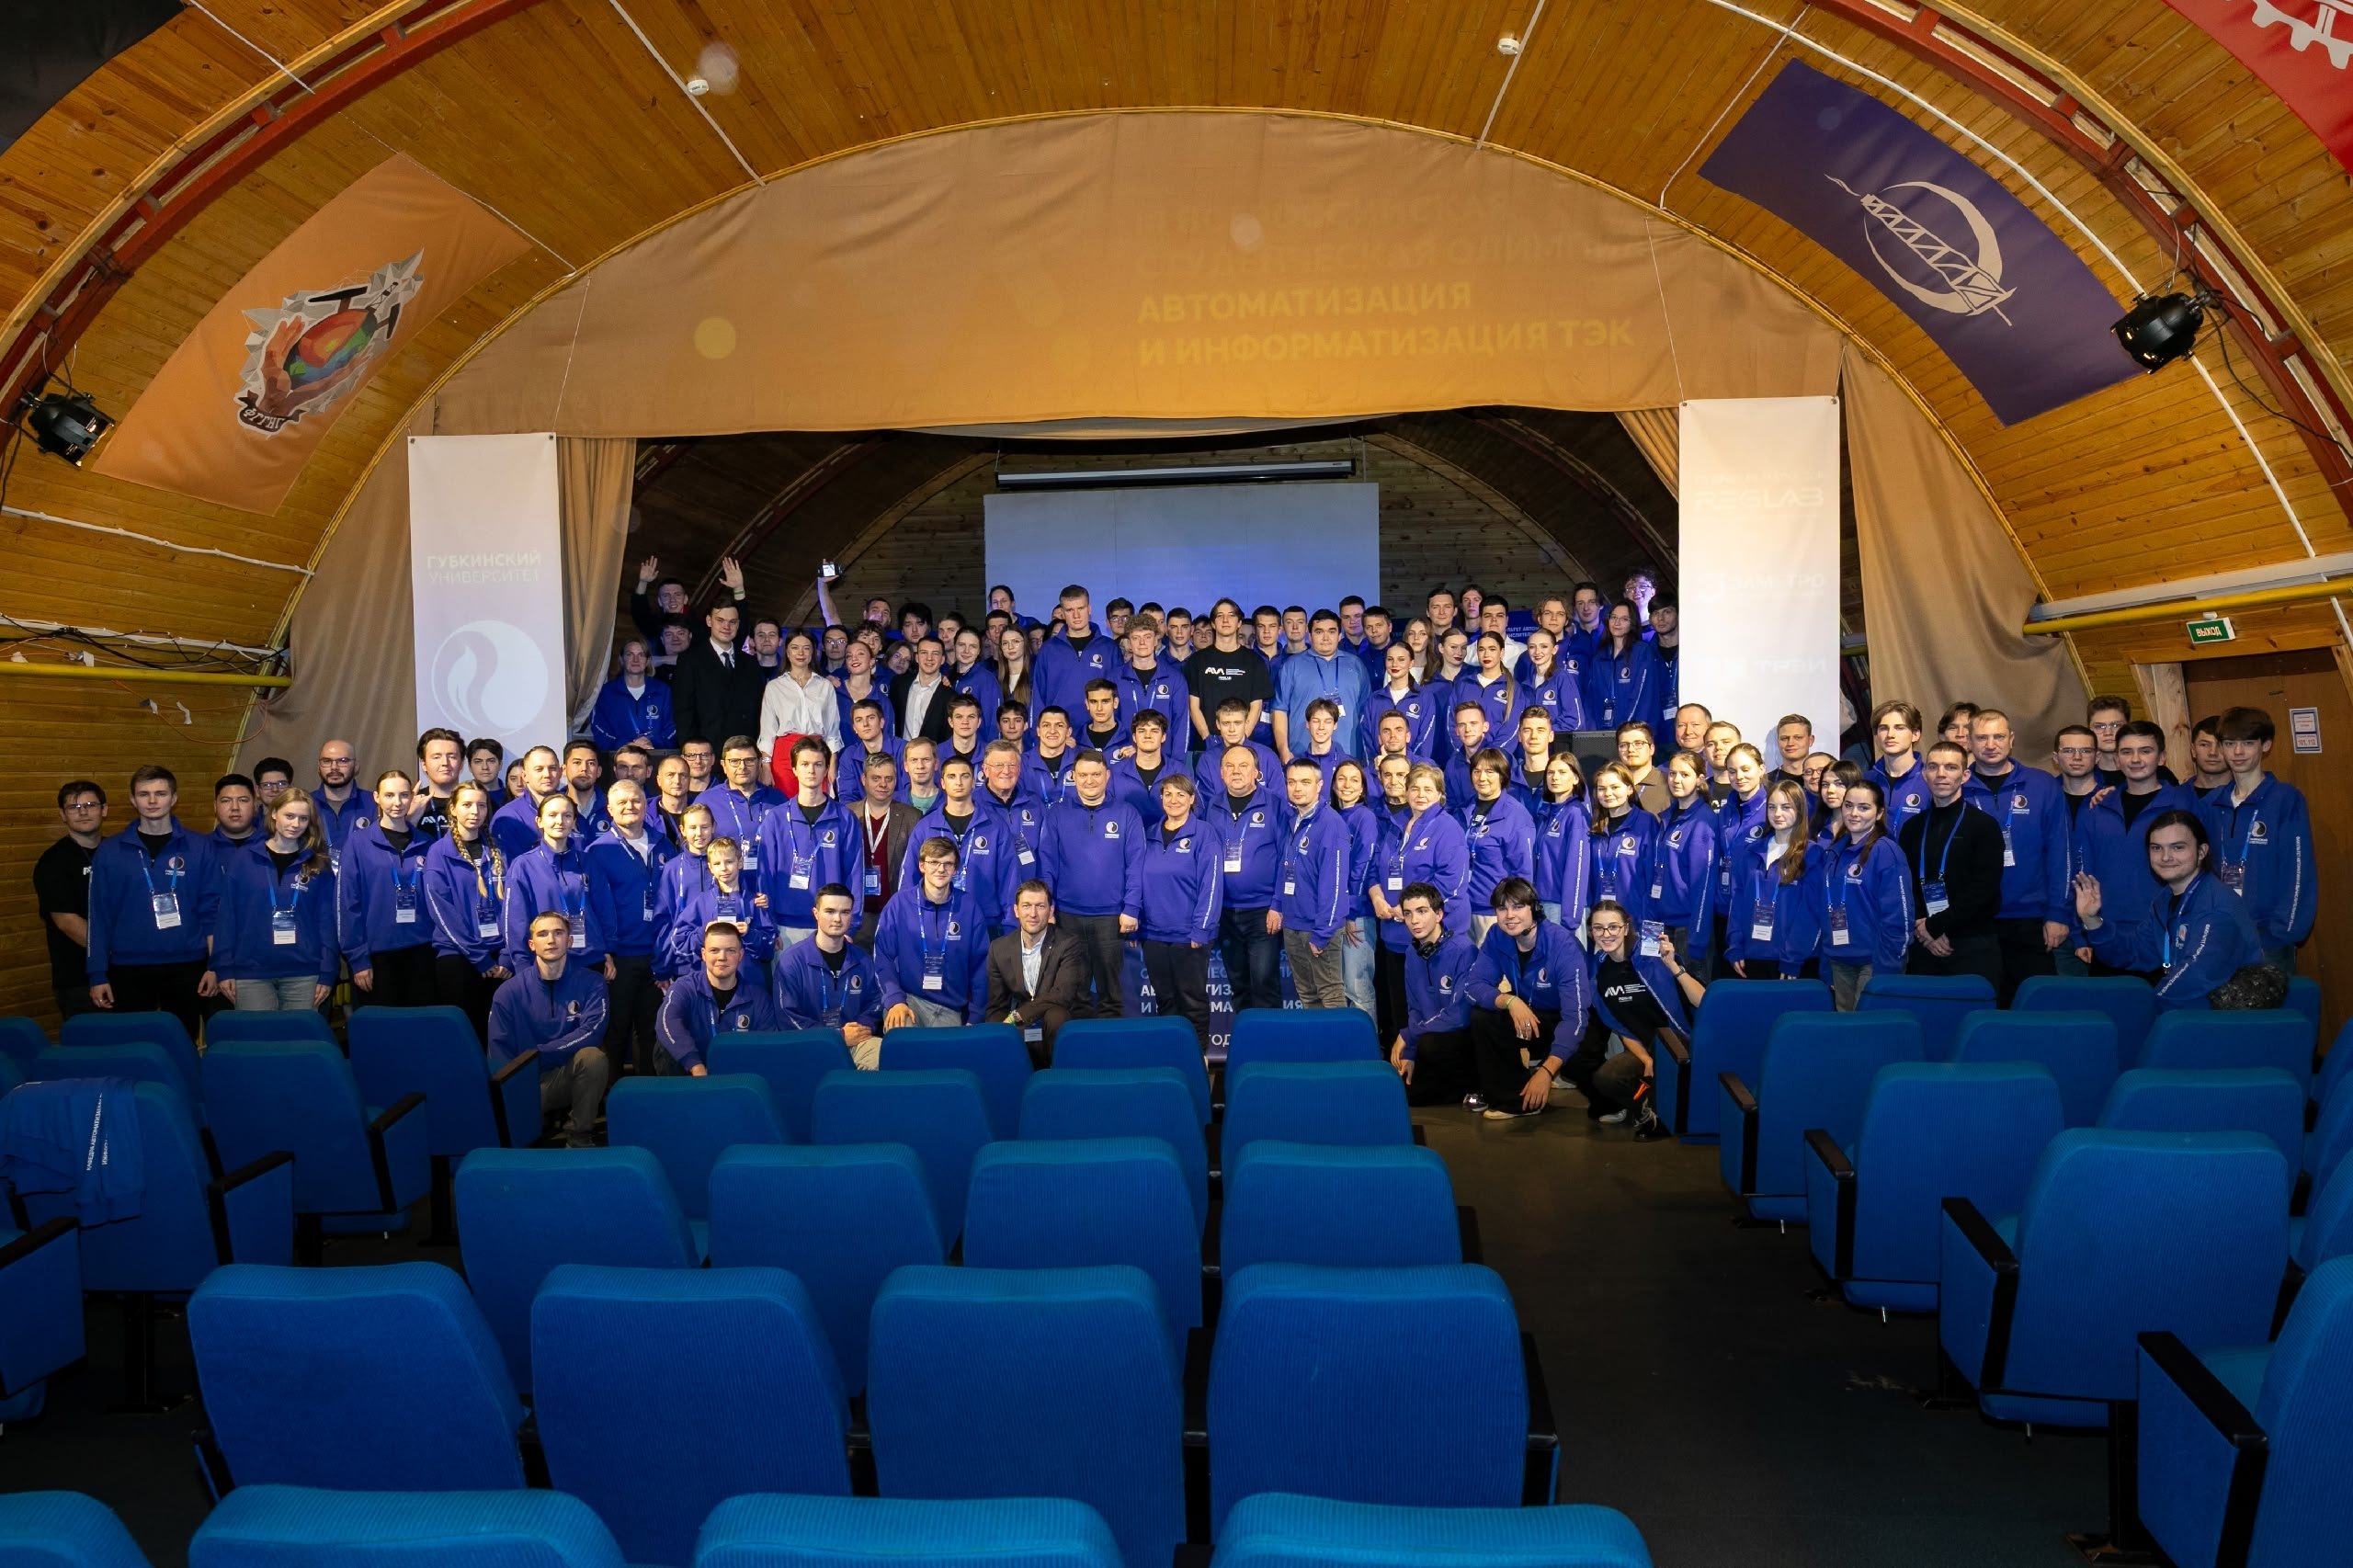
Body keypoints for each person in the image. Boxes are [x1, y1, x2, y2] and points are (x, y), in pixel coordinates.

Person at [2076, 812, 2267, 1010]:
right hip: (2189, 1010)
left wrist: (2149, 1004)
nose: (2166, 857)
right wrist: (2091, 919)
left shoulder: (2215, 906)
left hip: (2224, 1017)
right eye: (2156, 848)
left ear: (2202, 851)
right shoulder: (2165, 899)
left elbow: (2197, 974)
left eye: (2178, 847)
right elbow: (2134, 952)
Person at [2068, 720, 2196, 979]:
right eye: (2127, 752)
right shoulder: (2097, 807)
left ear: (2162, 757)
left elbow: (2200, 871)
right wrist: (2081, 933)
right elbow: (2082, 873)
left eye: (2145, 751)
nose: (2136, 759)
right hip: (2105, 933)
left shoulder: (2183, 805)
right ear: (2116, 759)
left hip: (2165, 934)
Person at [2198, 705, 2315, 971]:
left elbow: (2298, 871)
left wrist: (2281, 933)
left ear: (2266, 745)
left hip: (2269, 941)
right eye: (2230, 744)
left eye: (2248, 743)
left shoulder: (2285, 800)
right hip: (2221, 936)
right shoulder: (2211, 804)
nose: (2238, 752)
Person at [1566, 907, 1701, 1140]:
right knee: (1607, 1078)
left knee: (1665, 1058)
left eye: (1613, 927)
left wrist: (1673, 966)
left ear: (1626, 928)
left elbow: (1702, 1000)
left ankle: (1665, 1117)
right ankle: (1646, 1108)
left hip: (1680, 1043)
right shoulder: (1599, 974)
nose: (1606, 934)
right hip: (1647, 1047)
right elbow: (1622, 1028)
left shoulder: (1654, 957)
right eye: (1599, 928)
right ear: (1591, 932)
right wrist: (1646, 1059)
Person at [1967, 708, 2072, 1004]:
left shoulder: (2042, 785)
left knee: (2034, 1006)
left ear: (2011, 739)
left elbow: (2060, 853)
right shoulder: (1957, 788)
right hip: (1974, 921)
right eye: (1982, 738)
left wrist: (2058, 913)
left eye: (1999, 737)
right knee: (1983, 1006)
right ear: (1969, 743)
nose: (1991, 745)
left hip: (2031, 920)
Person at [1463, 878, 1591, 1119]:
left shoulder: (1562, 944)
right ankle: (1515, 1100)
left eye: (1518, 906)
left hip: (1568, 1023)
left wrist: (1546, 1072)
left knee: (1598, 1087)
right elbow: (1473, 987)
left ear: (1534, 908)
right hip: (1528, 1014)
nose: (1509, 915)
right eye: (1502, 908)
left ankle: (1555, 1067)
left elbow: (1575, 1018)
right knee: (1483, 1016)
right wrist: (1510, 1001)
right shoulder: (1497, 935)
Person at [486, 911, 609, 1148]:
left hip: (565, 1075)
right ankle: (524, 1134)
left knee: (593, 1058)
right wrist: (522, 1075)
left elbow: (592, 1032)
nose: (551, 940)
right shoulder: (508, 992)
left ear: (569, 941)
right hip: (524, 1080)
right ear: (532, 945)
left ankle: (579, 1137)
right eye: (543, 934)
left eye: (558, 933)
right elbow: (498, 1052)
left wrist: (538, 1055)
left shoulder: (592, 982)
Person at [1896, 742, 2006, 994]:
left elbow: (1984, 888)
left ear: (1965, 775)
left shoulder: (1984, 826)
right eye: (1933, 767)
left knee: (1975, 1015)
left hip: (1972, 943)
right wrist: (1924, 929)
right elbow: (1906, 884)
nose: (1941, 774)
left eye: (1950, 767)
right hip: (1924, 942)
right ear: (1924, 774)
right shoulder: (1912, 827)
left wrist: (1936, 926)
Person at [1040, 750, 1143, 1016]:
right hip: (1068, 916)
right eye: (1083, 775)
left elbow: (1136, 865)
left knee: (1112, 994)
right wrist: (1048, 908)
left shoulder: (1127, 814)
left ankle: (1108, 1042)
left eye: (1096, 774)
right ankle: (1080, 1042)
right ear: (1073, 777)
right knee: (1075, 993)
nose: (1089, 780)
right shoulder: (1056, 814)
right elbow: (1047, 864)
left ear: (1107, 775)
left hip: (1112, 916)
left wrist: (1131, 908)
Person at [212, 792, 337, 1014]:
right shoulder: (244, 859)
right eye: (289, 816)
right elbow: (227, 916)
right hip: (251, 972)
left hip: (304, 972)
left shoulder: (318, 863)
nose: (296, 824)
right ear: (274, 814)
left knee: (300, 1035)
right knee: (259, 1036)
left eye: (303, 818)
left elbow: (327, 922)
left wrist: (328, 971)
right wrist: (223, 967)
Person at [585, 778, 671, 1076]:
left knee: (652, 1031)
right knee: (616, 1030)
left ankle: (647, 1091)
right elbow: (595, 907)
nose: (630, 806)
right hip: (620, 957)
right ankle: (612, 1094)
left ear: (646, 805)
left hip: (658, 955)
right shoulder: (597, 851)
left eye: (636, 800)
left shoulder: (664, 844)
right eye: (621, 802)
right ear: (609, 809)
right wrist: (605, 951)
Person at [1133, 774, 1223, 1049]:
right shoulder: (1149, 833)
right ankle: (1171, 1054)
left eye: (1181, 794)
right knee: (1165, 1000)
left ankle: (1198, 1057)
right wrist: (1136, 924)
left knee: (1192, 1000)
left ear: (1192, 799)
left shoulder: (1204, 834)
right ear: (1161, 798)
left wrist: (1201, 928)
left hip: (1189, 934)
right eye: (1168, 794)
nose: (1174, 800)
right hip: (1153, 934)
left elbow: (1212, 884)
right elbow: (1136, 880)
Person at [336, 770, 438, 1008]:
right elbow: (347, 904)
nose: (397, 802)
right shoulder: (358, 843)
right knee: (382, 1027)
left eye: (404, 795)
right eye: (389, 795)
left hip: (423, 951)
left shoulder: (427, 843)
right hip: (376, 956)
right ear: (376, 797)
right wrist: (358, 959)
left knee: (422, 1024)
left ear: (412, 797)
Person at [873, 836, 993, 1028]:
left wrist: (976, 1015)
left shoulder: (969, 906)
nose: (941, 869)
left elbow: (981, 964)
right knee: (900, 1029)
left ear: (955, 869)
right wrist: (895, 1000)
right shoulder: (899, 904)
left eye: (948, 864)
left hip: (951, 1008)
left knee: (951, 1047)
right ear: (922, 866)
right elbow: (882, 956)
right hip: (909, 1001)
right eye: (934, 862)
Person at [1813, 779, 1912, 1009]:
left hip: (1874, 963)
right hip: (1838, 960)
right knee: (1845, 1028)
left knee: (1869, 1027)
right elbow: (1826, 910)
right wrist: (1826, 960)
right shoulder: (1834, 852)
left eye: (1864, 807)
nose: (1854, 813)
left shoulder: (1886, 852)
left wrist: (1887, 970)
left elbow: (1899, 918)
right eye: (1848, 806)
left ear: (1879, 813)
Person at [424, 780, 509, 1040]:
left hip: (499, 958)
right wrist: (479, 957)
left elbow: (512, 906)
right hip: (459, 956)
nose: (475, 811)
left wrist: (507, 955)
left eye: (481, 805)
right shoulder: (438, 853)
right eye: (467, 804)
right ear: (453, 809)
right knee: (465, 1036)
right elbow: (442, 912)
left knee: (497, 1035)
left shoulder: (499, 850)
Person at [1204, 744, 1285, 1012]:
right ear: (1221, 772)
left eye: (1243, 766)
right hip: (1225, 912)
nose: (1236, 771)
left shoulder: (1275, 805)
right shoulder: (1212, 806)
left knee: (1264, 985)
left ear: (1256, 772)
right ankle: (1245, 1038)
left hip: (1262, 912)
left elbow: (1286, 858)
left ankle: (1268, 1039)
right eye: (1230, 766)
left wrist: (1277, 904)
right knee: (1238, 986)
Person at [1385, 881, 1482, 1107]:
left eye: (1422, 911)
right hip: (1427, 1039)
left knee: (1430, 1045)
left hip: (1458, 1041)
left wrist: (1409, 1035)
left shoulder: (1464, 950)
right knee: (1401, 1091)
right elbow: (1414, 1008)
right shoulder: (1412, 953)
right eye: (1408, 913)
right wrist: (1409, 1053)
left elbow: (1459, 1016)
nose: (1414, 920)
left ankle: (1473, 1086)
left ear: (1439, 914)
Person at [755, 739, 858, 948]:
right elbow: (765, 875)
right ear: (794, 769)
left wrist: (851, 925)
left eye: (818, 764)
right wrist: (769, 926)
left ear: (826, 769)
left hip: (832, 925)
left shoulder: (845, 818)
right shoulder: (775, 818)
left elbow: (854, 874)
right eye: (804, 764)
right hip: (784, 927)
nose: (811, 770)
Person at [1268, 756, 1354, 1009]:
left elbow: (1335, 886)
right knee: (1307, 995)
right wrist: (1277, 905)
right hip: (1293, 923)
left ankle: (1337, 1038)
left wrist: (1323, 932)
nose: (1297, 788)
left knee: (1330, 994)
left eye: (1305, 782)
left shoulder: (1331, 825)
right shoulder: (1292, 819)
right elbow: (1285, 867)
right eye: (1291, 782)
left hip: (1318, 927)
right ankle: (1317, 1038)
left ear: (1319, 785)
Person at [650, 919, 781, 1077]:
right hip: (691, 1075)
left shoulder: (758, 998)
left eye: (731, 950)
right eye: (714, 950)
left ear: (740, 955)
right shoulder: (684, 987)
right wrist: (695, 1065)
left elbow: (767, 1046)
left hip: (738, 1078)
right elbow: (666, 1023)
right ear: (703, 954)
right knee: (665, 1045)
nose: (722, 957)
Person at [771, 887, 884, 1065]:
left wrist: (860, 1029)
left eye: (845, 912)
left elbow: (876, 1001)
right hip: (808, 1046)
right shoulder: (791, 961)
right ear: (816, 914)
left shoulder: (863, 959)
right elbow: (787, 1017)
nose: (837, 919)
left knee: (883, 1055)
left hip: (855, 1041)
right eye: (830, 911)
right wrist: (837, 1036)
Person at [1722, 781, 1823, 980]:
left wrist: (1793, 957)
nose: (1777, 813)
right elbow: (1737, 903)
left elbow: (1811, 912)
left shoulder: (1812, 854)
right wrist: (1735, 946)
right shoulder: (1750, 853)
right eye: (1772, 807)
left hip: (1792, 963)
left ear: (1800, 810)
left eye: (1786, 807)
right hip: (1750, 958)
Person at [985, 880, 1088, 1062]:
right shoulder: (999, 948)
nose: (1033, 914)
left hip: (1056, 1018)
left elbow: (1062, 994)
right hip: (1023, 1025)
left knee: (1056, 1016)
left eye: (1040, 906)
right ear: (1016, 911)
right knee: (996, 1027)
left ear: (1051, 910)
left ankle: (1058, 1074)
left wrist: (1019, 1015)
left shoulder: (1068, 943)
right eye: (1026, 906)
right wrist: (997, 1032)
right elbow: (997, 1005)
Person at [35, 779, 107, 1020]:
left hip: (124, 974)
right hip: (78, 980)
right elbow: (66, 921)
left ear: (104, 810)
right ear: (62, 815)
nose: (83, 812)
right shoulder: (53, 862)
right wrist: (114, 952)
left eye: (90, 805)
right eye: (74, 807)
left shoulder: (118, 852)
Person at [1643, 751, 1719, 970]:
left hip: (1687, 929)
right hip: (1661, 922)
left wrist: (1697, 942)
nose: (1676, 780)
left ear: (1700, 779)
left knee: (1689, 988)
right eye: (1672, 774)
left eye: (1685, 775)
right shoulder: (1668, 816)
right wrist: (1650, 934)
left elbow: (1703, 887)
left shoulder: (1703, 822)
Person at [1456, 749, 1536, 943]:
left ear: (1502, 776)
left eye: (1490, 772)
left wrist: (1512, 913)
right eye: (1477, 771)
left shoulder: (1516, 816)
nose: (1482, 777)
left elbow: (1523, 872)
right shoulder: (1464, 810)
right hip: (1462, 909)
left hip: (1494, 912)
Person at [1273, 609, 1372, 761]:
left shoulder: (1356, 665)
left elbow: (1367, 712)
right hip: (1302, 755)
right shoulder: (1292, 665)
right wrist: (1284, 751)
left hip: (1349, 755)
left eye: (1331, 632)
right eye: (1319, 632)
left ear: (1340, 635)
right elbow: (1279, 710)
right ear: (1310, 635)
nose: (1326, 638)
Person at [671, 601, 767, 755]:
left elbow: (759, 710)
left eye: (732, 622)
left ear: (738, 624)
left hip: (745, 752)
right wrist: (691, 752)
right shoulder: (690, 660)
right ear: (709, 621)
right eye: (720, 620)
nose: (726, 627)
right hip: (706, 753)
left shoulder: (750, 662)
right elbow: (683, 711)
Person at [846, 754, 922, 945]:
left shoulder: (912, 817)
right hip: (856, 913)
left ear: (896, 780)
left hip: (895, 912)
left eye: (889, 779)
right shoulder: (847, 814)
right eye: (876, 778)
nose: (883, 784)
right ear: (864, 779)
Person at [754, 631, 841, 795]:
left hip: (817, 753)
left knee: (815, 802)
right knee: (785, 804)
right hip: (784, 755)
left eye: (806, 648)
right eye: (795, 648)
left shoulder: (825, 686)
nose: (800, 653)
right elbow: (767, 731)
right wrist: (765, 765)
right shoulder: (774, 687)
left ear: (813, 652)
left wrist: (833, 763)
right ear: (787, 652)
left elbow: (832, 730)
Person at [1182, 598, 1274, 751]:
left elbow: (1256, 707)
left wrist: (1241, 739)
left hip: (1242, 746)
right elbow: (1193, 706)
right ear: (1213, 623)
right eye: (1220, 616)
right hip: (1206, 746)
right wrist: (1207, 738)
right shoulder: (1196, 661)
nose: (1225, 620)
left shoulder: (1254, 661)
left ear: (1239, 623)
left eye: (1231, 615)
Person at [1032, 585, 1122, 723]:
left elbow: (1119, 695)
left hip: (1099, 730)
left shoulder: (1109, 648)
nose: (1076, 615)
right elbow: (1038, 697)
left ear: (1089, 609)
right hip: (1059, 731)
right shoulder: (1048, 649)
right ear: (1063, 613)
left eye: (1080, 608)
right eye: (1070, 610)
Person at [697, 735, 787, 870]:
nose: (742, 767)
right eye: (734, 761)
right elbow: (694, 847)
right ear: (724, 765)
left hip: (769, 879)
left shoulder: (778, 799)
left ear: (759, 762)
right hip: (726, 880)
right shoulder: (706, 801)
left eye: (749, 760)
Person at [1533, 754, 1593, 935]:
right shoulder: (1546, 813)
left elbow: (1577, 867)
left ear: (1575, 778)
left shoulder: (1576, 814)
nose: (1555, 777)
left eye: (1562, 772)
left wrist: (1570, 918)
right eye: (1550, 773)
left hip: (1564, 908)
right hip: (1543, 904)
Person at [1586, 762, 1657, 913]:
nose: (1608, 793)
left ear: (1630, 789)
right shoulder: (1594, 826)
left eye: (1615, 787)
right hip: (1601, 916)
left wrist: (1648, 918)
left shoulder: (1646, 823)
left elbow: (1652, 876)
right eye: (1602, 789)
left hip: (1635, 916)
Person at [1581, 603, 1662, 730]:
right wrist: (1591, 731)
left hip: (1632, 732)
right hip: (1602, 733)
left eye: (1624, 619)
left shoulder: (1641, 651)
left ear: (1632, 623)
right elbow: (1590, 699)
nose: (1617, 623)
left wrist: (1627, 730)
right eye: (1613, 617)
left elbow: (1643, 697)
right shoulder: (1599, 657)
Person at [591, 639, 677, 752]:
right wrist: (626, 744)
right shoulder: (606, 692)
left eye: (641, 655)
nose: (636, 660)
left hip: (657, 755)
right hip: (618, 756)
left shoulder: (663, 691)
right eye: (630, 654)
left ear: (648, 660)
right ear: (621, 659)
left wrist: (652, 741)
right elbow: (599, 728)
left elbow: (673, 727)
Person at [1117, 613, 1190, 742]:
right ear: (1129, 643)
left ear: (1156, 640)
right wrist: (1119, 751)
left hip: (1164, 753)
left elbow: (1181, 727)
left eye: (1147, 637)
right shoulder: (1114, 678)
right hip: (1126, 752)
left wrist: (1176, 756)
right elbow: (1109, 723)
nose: (1142, 642)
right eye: (1136, 638)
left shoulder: (1175, 679)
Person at [489, 745, 564, 862]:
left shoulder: (572, 813)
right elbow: (506, 869)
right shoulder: (508, 817)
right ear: (525, 776)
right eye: (539, 769)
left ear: (560, 772)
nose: (547, 774)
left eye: (552, 768)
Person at [1869, 700, 1933, 831]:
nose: (1890, 735)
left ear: (1915, 734)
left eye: (1899, 728)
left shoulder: (1932, 780)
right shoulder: (1866, 780)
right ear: (1876, 735)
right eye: (1883, 728)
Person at [1108, 710, 1180, 818]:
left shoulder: (1179, 771)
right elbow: (1105, 811)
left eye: (1154, 731)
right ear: (1134, 737)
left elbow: (1196, 808)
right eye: (1142, 731)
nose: (1148, 736)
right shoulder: (1115, 773)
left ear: (1163, 737)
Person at [1517, 626, 1585, 734]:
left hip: (1557, 742)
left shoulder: (1562, 678)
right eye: (1532, 647)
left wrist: (1543, 732)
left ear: (1554, 650)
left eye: (1544, 647)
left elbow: (1575, 721)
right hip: (1531, 742)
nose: (1537, 652)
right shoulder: (1525, 683)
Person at [1024, 709, 1081, 805]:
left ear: (1068, 732)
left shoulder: (1082, 760)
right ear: (1038, 731)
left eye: (1059, 725)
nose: (1052, 731)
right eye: (1046, 725)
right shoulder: (1021, 763)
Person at [2052, 723, 2103, 831]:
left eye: (2086, 751)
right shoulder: (2046, 797)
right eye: (2068, 751)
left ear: (2097, 757)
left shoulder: (2111, 798)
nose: (2077, 757)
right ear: (2056, 758)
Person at [561, 742, 613, 840]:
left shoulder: (614, 807)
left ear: (599, 771)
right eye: (577, 762)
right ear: (564, 769)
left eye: (591, 763)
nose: (584, 769)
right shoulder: (551, 808)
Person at [1616, 722, 1670, 815]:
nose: (1630, 749)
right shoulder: (1610, 785)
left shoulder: (1669, 783)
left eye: (1638, 744)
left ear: (1651, 749)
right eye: (1624, 745)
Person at [1075, 680, 1133, 759]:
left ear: (1115, 703)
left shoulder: (1131, 740)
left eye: (1105, 702)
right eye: (1093, 702)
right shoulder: (1075, 740)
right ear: (1087, 704)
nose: (1099, 708)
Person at [210, 775, 259, 856]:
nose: (235, 807)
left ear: (255, 806)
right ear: (215, 806)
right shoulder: (202, 848)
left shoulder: (271, 845)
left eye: (243, 800)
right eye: (226, 801)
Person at [2086, 695, 2133, 778]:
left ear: (2128, 727)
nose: (2108, 733)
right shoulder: (2075, 779)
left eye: (2116, 725)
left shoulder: (2153, 776)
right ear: (2090, 730)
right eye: (2099, 726)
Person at [2188, 715, 2231, 800]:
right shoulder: (2173, 798)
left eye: (2221, 745)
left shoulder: (2248, 796)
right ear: (2193, 750)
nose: (2213, 753)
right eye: (2204, 745)